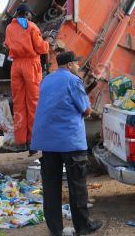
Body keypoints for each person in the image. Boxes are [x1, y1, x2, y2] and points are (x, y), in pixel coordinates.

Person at [31, 51, 103, 236]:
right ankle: (83, 226)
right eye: (77, 64)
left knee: (51, 186)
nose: (78, 67)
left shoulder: (46, 80)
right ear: (70, 65)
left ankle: (55, 229)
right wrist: (96, 114)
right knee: (77, 185)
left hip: (47, 141)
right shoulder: (74, 80)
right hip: (69, 141)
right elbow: (86, 109)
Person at [5, 3, 50, 151]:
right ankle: (33, 139)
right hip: (30, 65)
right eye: (30, 14)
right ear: (27, 14)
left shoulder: (9, 27)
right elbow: (39, 47)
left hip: (16, 66)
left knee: (18, 101)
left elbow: (7, 44)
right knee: (33, 102)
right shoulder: (31, 26)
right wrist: (48, 44)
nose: (32, 16)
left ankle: (21, 139)